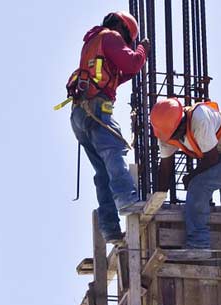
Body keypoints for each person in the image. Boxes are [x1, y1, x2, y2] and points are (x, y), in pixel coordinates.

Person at [68, 11, 150, 244]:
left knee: (102, 172)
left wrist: (136, 60)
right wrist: (142, 50)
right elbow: (133, 62)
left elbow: (123, 72)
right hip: (96, 109)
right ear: (124, 30)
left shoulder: (93, 42)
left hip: (80, 115)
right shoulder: (111, 37)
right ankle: (126, 199)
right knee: (114, 151)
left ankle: (110, 227)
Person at [150, 97, 221, 257]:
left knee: (199, 185)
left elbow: (211, 158)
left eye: (177, 133)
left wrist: (191, 177)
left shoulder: (199, 118)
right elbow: (165, 167)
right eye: (172, 136)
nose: (176, 138)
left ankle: (198, 245)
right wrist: (158, 199)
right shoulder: (166, 134)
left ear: (181, 120)